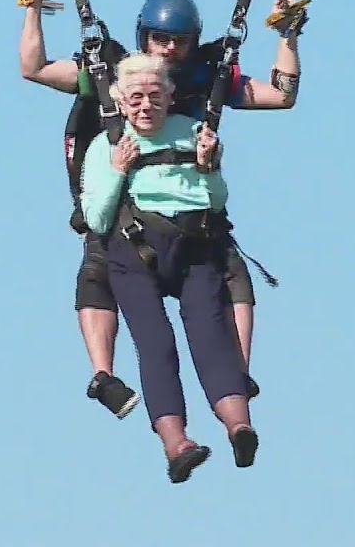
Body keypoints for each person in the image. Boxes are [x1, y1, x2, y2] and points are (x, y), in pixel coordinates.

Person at [18, 0, 304, 420]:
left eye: (180, 42)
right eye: (161, 40)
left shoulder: (206, 80)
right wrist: (33, 8)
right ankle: (103, 376)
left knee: (232, 271)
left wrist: (287, 36)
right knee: (96, 267)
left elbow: (281, 96)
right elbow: (33, 68)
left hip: (186, 215)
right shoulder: (119, 75)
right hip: (122, 206)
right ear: (144, 38)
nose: (170, 50)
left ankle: (238, 373)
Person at [80, 53, 257, 483]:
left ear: (170, 97)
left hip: (193, 247)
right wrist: (119, 171)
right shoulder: (106, 144)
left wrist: (209, 166)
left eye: (154, 97)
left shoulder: (194, 132)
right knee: (157, 345)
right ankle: (177, 445)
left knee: (210, 334)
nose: (145, 106)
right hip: (133, 253)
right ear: (120, 101)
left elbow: (215, 200)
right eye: (136, 98)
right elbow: (98, 218)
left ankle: (240, 427)